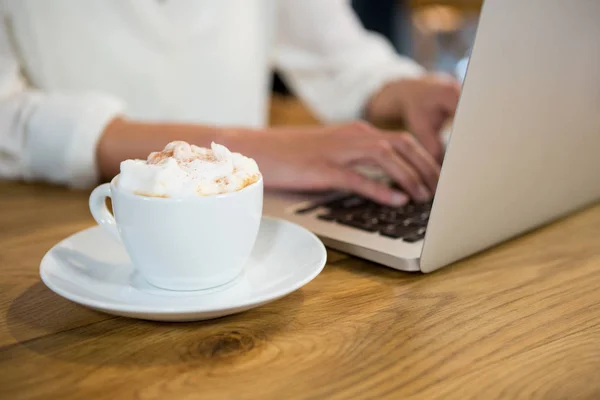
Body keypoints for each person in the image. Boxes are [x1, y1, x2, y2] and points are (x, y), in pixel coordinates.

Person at [0, 0, 460, 206]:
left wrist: (405, 89)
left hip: (254, 213)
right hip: (66, 217)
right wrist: (245, 148)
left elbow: (340, 57)